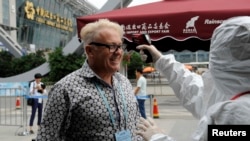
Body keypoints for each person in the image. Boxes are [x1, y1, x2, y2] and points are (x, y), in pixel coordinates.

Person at [135, 16, 250, 141]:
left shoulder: (235, 113)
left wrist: (156, 137)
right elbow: (198, 93)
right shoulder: (234, 94)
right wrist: (161, 60)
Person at [36, 19, 143, 140]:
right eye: (112, 46)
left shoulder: (124, 82)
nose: (118, 52)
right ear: (90, 50)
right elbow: (46, 137)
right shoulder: (65, 89)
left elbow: (135, 124)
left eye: (120, 46)